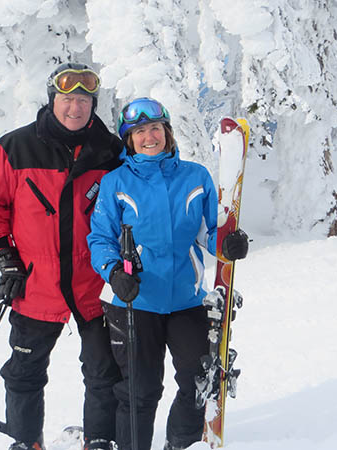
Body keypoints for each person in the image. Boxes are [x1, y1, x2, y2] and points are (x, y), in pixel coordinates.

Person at [0, 63, 123, 450]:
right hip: (35, 283)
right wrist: (4, 254)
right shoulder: (16, 147)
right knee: (24, 371)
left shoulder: (111, 152)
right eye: (68, 99)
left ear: (94, 104)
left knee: (103, 372)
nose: (76, 108)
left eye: (84, 100)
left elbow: (136, 205)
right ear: (52, 100)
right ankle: (26, 441)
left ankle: (101, 440)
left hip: (94, 283)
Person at [87, 97, 249, 450]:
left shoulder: (195, 176)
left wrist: (228, 245)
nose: (150, 136)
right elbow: (100, 238)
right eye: (140, 131)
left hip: (186, 299)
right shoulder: (115, 183)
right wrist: (114, 272)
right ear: (129, 139)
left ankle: (181, 444)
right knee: (140, 390)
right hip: (134, 299)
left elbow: (210, 232)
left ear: (167, 132)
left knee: (196, 380)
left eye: (156, 128)